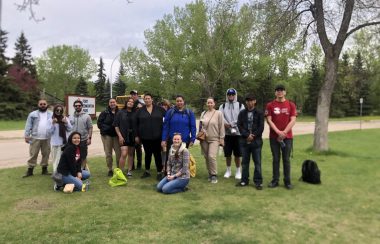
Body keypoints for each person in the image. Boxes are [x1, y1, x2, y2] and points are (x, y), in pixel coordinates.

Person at [265, 84, 297, 190]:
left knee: (286, 159)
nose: (280, 92)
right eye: (278, 90)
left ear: (285, 92)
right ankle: (275, 180)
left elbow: (293, 120)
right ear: (275, 93)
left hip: (287, 137)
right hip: (274, 137)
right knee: (276, 159)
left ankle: (287, 181)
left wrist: (284, 133)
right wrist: (278, 132)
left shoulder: (291, 105)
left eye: (281, 90)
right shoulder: (270, 105)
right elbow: (269, 120)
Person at [236, 94, 264, 190]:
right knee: (244, 162)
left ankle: (258, 182)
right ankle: (244, 180)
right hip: (244, 141)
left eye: (251, 100)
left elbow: (261, 127)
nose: (249, 102)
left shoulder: (259, 113)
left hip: (256, 142)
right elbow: (239, 126)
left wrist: (253, 136)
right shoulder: (242, 113)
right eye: (247, 101)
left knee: (257, 162)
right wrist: (247, 135)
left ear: (254, 101)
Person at [135, 93, 166, 180]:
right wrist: (137, 135)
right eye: (145, 99)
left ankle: (159, 172)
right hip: (145, 137)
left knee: (157, 155)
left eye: (149, 98)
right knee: (147, 154)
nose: (147, 100)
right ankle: (147, 171)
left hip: (157, 136)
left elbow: (167, 121)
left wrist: (165, 135)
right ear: (144, 100)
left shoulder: (160, 109)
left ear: (152, 99)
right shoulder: (140, 111)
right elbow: (136, 124)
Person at [23, 99, 53, 177]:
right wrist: (26, 135)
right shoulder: (32, 114)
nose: (43, 105)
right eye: (41, 104)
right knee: (33, 154)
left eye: (44, 104)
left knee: (46, 154)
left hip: (47, 138)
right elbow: (28, 125)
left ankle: (44, 170)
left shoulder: (51, 114)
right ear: (38, 105)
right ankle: (30, 170)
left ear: (47, 105)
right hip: (35, 137)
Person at [219, 88, 245, 180]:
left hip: (237, 133)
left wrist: (233, 124)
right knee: (228, 153)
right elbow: (220, 117)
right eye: (229, 95)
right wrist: (227, 125)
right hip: (227, 134)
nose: (231, 96)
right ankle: (228, 170)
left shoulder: (240, 105)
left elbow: (242, 117)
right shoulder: (222, 106)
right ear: (227, 96)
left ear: (235, 95)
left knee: (238, 154)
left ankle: (238, 171)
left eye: (232, 94)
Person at [199, 97, 225, 184]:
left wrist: (222, 138)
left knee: (211, 156)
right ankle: (210, 173)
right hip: (204, 139)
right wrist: (201, 134)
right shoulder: (203, 113)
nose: (209, 104)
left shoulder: (218, 113)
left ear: (214, 104)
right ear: (206, 104)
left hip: (215, 139)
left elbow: (221, 126)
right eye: (208, 103)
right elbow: (201, 125)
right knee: (206, 157)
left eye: (211, 103)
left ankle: (214, 175)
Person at [97, 98, 121, 176]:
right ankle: (110, 169)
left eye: (113, 102)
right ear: (109, 103)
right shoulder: (104, 113)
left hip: (117, 136)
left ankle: (118, 169)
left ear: (116, 103)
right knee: (108, 154)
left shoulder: (120, 112)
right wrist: (109, 128)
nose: (112, 103)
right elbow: (99, 124)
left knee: (119, 153)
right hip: (107, 136)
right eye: (111, 102)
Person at [114, 97, 136, 177]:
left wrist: (136, 136)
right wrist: (120, 136)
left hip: (132, 136)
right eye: (129, 101)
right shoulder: (120, 112)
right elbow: (116, 126)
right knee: (124, 153)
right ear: (126, 103)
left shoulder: (135, 113)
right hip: (123, 136)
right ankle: (120, 172)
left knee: (130, 154)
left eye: (132, 102)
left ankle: (129, 171)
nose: (130, 103)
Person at [69, 99, 93, 169]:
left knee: (83, 155)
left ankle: (82, 169)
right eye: (76, 106)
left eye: (79, 105)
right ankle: (75, 169)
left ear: (82, 106)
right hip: (73, 140)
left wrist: (89, 138)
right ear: (74, 107)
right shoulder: (70, 116)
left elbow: (90, 128)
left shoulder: (87, 116)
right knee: (73, 155)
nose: (78, 107)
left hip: (83, 139)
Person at [50, 104, 72, 173]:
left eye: (60, 110)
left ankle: (63, 173)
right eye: (57, 110)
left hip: (64, 143)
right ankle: (56, 175)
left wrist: (66, 123)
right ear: (54, 110)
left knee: (63, 160)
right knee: (56, 160)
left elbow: (70, 129)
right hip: (55, 143)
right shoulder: (51, 119)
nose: (59, 111)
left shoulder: (64, 118)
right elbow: (49, 132)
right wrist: (53, 124)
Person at [130, 90, 143, 170]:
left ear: (137, 95)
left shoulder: (141, 104)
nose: (133, 96)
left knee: (138, 147)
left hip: (138, 129)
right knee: (131, 148)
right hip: (130, 129)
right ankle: (132, 165)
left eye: (134, 94)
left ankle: (139, 164)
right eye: (132, 94)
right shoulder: (130, 104)